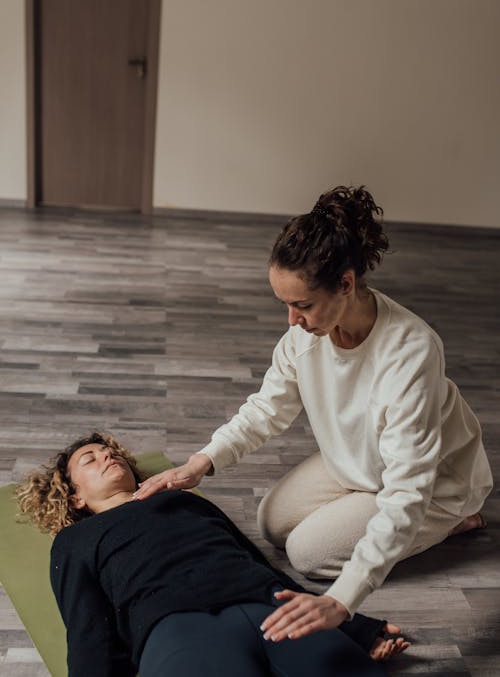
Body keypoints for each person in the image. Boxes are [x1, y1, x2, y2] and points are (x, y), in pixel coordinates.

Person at [135, 185, 493, 638]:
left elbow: (407, 491)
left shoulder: (411, 352)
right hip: (360, 459)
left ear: (345, 283)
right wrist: (201, 462)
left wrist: (342, 601)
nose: (291, 320)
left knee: (308, 555)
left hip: (432, 481)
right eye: (285, 304)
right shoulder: (305, 336)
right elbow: (267, 408)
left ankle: (454, 518)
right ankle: (361, 506)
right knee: (272, 522)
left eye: (302, 305)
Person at [17, 432, 409, 677]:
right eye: (91, 458)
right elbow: (88, 628)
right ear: (75, 497)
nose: (107, 456)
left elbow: (259, 565)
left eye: (109, 451)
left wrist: (354, 629)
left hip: (270, 606)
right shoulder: (76, 539)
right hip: (176, 625)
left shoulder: (184, 501)